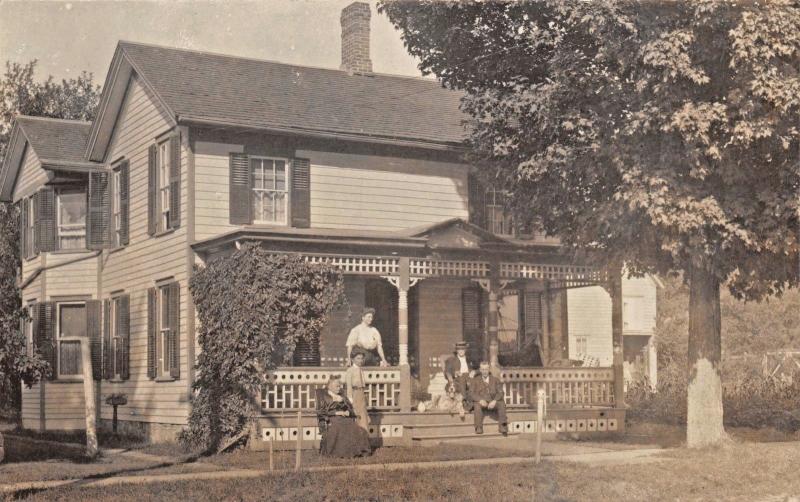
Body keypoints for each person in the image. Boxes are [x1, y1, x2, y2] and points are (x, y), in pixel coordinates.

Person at [316, 376, 371, 458]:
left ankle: (358, 452)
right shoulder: (324, 396)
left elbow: (350, 408)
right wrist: (337, 412)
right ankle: (341, 453)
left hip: (345, 419)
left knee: (359, 430)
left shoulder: (342, 396)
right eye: (337, 386)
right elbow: (321, 411)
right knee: (341, 429)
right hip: (332, 419)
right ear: (330, 386)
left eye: (340, 386)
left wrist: (348, 412)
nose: (339, 388)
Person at [468, 361, 508, 435]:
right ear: (480, 370)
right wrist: (480, 400)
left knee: (501, 403)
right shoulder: (475, 380)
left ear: (489, 369)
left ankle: (503, 426)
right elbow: (471, 393)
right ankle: (478, 427)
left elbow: (501, 392)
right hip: (481, 402)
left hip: (492, 402)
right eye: (483, 369)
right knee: (476, 405)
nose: (484, 372)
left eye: (486, 369)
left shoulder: (495, 380)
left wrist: (495, 401)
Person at [345, 349, 370, 431]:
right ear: (352, 359)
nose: (360, 360)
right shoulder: (350, 370)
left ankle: (363, 438)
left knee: (363, 416)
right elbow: (349, 385)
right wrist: (350, 399)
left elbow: (362, 385)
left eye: (361, 358)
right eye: (358, 358)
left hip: (361, 394)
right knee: (356, 416)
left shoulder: (361, 370)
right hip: (354, 394)